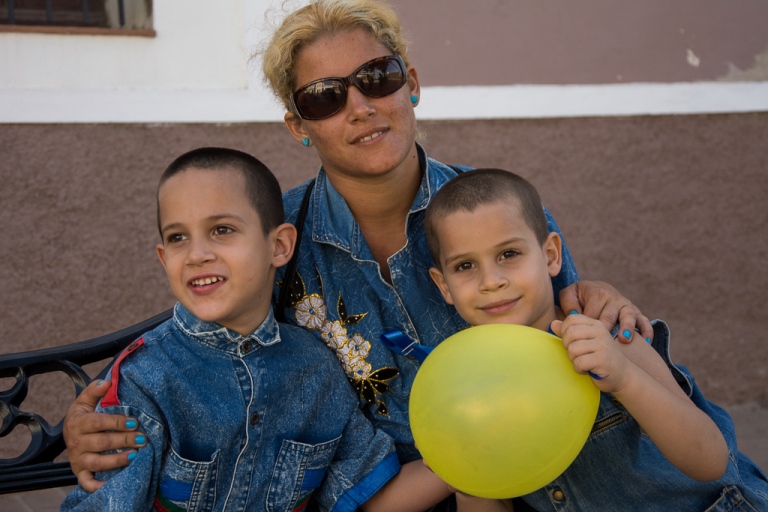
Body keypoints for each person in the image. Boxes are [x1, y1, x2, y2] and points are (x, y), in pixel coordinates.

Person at [62, 1, 653, 506]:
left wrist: (595, 300)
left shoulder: (495, 211)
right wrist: (104, 421)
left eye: (377, 76)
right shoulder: (274, 235)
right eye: (324, 97)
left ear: (411, 83)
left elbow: (573, 339)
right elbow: (205, 350)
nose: (360, 106)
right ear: (298, 125)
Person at [61, 147, 453, 511]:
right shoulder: (146, 380)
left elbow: (373, 494)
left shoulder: (317, 371)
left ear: (279, 247)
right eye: (178, 237)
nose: (198, 254)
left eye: (222, 230)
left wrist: (471, 455)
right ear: (164, 259)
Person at [423, 168, 768, 511]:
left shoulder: (609, 336)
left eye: (509, 254)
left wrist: (624, 377)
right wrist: (468, 483)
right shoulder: (467, 385)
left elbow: (710, 461)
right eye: (465, 266)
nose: (491, 280)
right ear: (443, 285)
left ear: (551, 255)